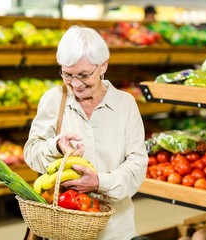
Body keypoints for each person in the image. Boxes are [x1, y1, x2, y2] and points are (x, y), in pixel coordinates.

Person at [24, 25, 149, 240]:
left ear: (103, 66)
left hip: (115, 229)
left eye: (84, 75)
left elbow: (137, 166)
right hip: (64, 226)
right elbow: (31, 153)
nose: (76, 84)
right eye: (67, 75)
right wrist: (54, 145)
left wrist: (100, 183)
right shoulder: (54, 100)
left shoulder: (125, 104)